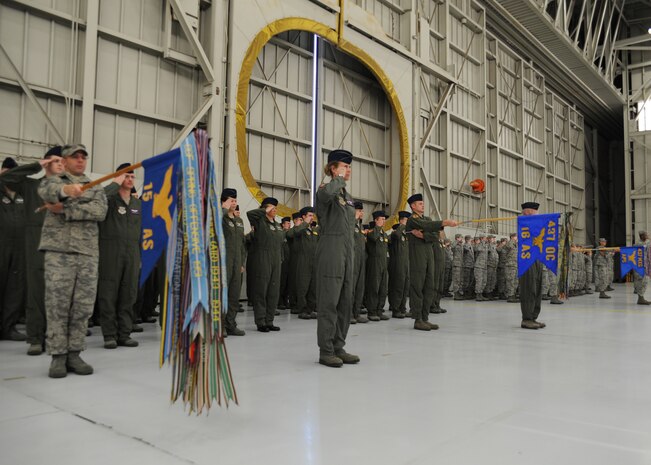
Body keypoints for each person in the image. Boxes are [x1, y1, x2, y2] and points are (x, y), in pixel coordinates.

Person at [38, 144, 108, 378]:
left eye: (83, 157)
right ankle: (58, 356)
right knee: (57, 305)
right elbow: (49, 194)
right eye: (74, 157)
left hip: (87, 253)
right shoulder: (54, 180)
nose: (80, 161)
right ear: (64, 161)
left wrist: (67, 210)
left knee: (83, 307)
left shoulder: (95, 186)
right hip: (59, 252)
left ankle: (74, 353)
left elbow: (100, 211)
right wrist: (69, 191)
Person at [0, 148, 64, 353]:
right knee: (36, 292)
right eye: (56, 160)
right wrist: (38, 164)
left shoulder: (68, 188)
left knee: (59, 295)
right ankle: (36, 338)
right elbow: (6, 178)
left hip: (62, 245)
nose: (61, 163)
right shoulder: (31, 186)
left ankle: (57, 338)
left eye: (63, 160)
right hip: (36, 243)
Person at [315, 149, 359, 367]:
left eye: (349, 167)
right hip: (331, 249)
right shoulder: (326, 190)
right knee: (329, 301)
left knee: (345, 301)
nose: (348, 170)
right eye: (344, 166)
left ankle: (339, 345)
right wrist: (338, 179)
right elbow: (325, 196)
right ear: (333, 168)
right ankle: (326, 350)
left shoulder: (347, 198)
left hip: (347, 250)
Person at [96, 163, 141, 349]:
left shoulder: (137, 203)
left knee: (128, 294)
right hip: (110, 253)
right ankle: (109, 335)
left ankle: (124, 333)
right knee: (108, 294)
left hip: (131, 254)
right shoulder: (109, 198)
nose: (129, 180)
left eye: (132, 177)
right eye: (126, 176)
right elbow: (96, 198)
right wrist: (114, 183)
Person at [406, 193, 458, 331]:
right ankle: (417, 319)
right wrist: (444, 222)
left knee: (430, 285)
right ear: (413, 206)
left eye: (423, 203)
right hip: (417, 255)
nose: (422, 205)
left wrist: (423, 235)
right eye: (419, 203)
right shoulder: (412, 220)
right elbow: (428, 226)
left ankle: (425, 317)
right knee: (418, 286)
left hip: (429, 254)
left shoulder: (427, 219)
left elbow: (435, 235)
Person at [247, 197, 284, 332]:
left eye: (275, 208)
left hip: (276, 259)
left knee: (273, 291)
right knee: (261, 290)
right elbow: (250, 214)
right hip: (262, 257)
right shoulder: (259, 221)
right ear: (264, 208)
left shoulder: (277, 224)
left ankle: (269, 321)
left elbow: (280, 244)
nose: (274, 210)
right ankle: (261, 321)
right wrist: (265, 210)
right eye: (271, 208)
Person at [0, 157, 27, 341]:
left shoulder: (22, 195)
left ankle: (8, 327)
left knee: (15, 288)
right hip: (2, 244)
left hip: (19, 247)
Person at [221, 188, 246, 336]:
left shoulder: (239, 221)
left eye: (235, 200)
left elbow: (242, 244)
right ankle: (219, 325)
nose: (234, 203)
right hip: (224, 262)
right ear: (224, 201)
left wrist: (242, 263)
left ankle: (231, 324)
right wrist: (223, 209)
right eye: (231, 200)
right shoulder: (221, 217)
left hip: (237, 263)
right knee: (222, 295)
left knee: (234, 295)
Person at [287, 206, 318, 320]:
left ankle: (310, 309)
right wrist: (304, 223)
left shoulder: (313, 230)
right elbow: (290, 234)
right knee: (303, 286)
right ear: (303, 217)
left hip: (314, 262)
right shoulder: (299, 229)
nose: (312, 217)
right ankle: (303, 310)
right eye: (309, 215)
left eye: (312, 215)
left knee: (312, 287)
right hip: (303, 261)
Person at [519, 202, 545, 330]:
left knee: (537, 287)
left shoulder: (535, 223)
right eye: (535, 212)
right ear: (528, 212)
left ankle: (534, 316)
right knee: (529, 288)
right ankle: (527, 318)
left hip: (537, 257)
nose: (538, 214)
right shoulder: (524, 223)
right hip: (527, 259)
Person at [365, 211, 390, 321]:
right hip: (374, 262)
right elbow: (373, 237)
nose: (384, 221)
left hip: (383, 263)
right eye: (382, 219)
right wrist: (377, 227)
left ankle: (379, 310)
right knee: (374, 287)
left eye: (385, 219)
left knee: (383, 288)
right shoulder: (372, 232)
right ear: (376, 220)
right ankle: (372, 311)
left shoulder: (383, 233)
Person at [388, 211, 410, 318]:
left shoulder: (405, 235)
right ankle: (395, 309)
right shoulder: (395, 234)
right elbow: (396, 234)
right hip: (398, 263)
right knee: (398, 286)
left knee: (405, 286)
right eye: (407, 220)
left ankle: (402, 308)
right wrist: (402, 225)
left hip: (406, 263)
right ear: (402, 220)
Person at [351, 202, 368, 324]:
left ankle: (356, 313)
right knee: (351, 288)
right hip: (353, 259)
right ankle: (348, 314)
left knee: (360, 287)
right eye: (359, 211)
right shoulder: (350, 224)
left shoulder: (360, 226)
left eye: (362, 211)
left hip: (361, 259)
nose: (362, 213)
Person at [278, 216, 292, 310]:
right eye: (287, 223)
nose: (289, 225)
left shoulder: (290, 235)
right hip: (282, 261)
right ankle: (280, 301)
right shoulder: (281, 234)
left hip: (289, 261)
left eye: (289, 223)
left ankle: (286, 300)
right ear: (283, 225)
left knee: (288, 282)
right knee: (282, 282)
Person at [634, 231, 650, 305]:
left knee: (644, 281)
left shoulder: (645, 242)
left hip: (643, 265)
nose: (647, 236)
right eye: (645, 235)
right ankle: (640, 299)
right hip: (639, 266)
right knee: (642, 281)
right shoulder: (639, 243)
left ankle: (641, 298)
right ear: (642, 236)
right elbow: (646, 245)